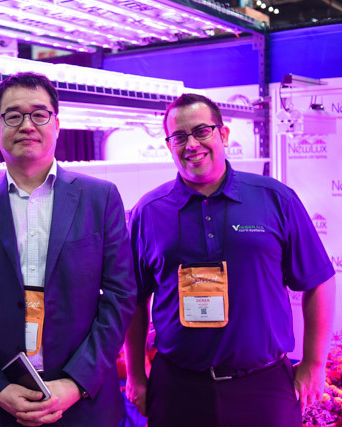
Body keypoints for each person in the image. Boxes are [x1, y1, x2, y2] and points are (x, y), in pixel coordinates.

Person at [124, 93, 336, 427]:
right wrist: (136, 374)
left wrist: (314, 363)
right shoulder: (149, 212)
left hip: (264, 387)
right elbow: (133, 298)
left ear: (223, 134)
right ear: (169, 145)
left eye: (201, 131)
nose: (191, 144)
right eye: (179, 136)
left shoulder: (275, 198)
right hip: (178, 387)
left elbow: (319, 280)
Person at [0, 72, 136, 426]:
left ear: (57, 125)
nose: (27, 125)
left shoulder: (100, 198)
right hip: (7, 405)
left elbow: (120, 296)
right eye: (13, 116)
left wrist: (77, 381)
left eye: (39, 114)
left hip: (86, 402)